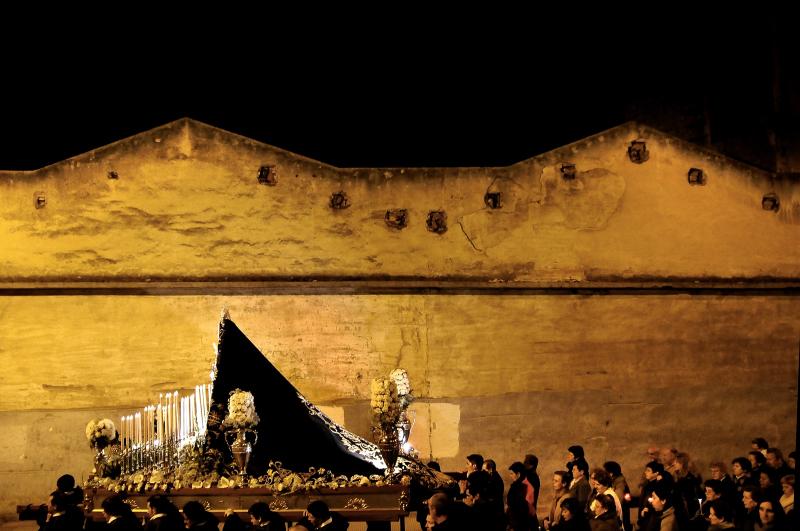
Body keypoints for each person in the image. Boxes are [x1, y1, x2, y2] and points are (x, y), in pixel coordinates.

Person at [508, 462, 535, 531]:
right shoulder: (517, 485)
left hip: (520, 524)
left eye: (512, 474)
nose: (510, 476)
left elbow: (526, 509)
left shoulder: (524, 487)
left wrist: (513, 525)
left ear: (518, 474)